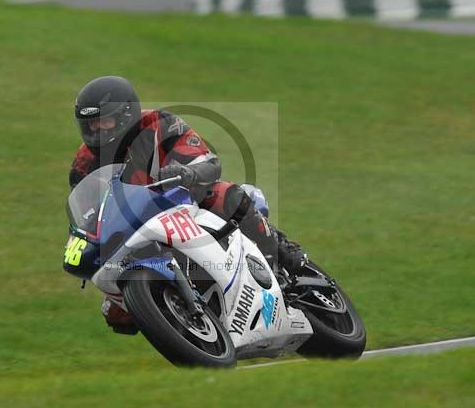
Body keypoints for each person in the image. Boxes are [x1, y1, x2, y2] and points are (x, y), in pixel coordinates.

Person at [69, 76, 308, 329]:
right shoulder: (83, 164)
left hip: (182, 202)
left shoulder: (160, 124)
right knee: (116, 315)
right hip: (137, 229)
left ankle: (280, 253)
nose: (97, 130)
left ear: (127, 113)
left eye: (103, 121)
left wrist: (188, 174)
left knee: (225, 194)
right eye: (90, 125)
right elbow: (88, 212)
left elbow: (210, 164)